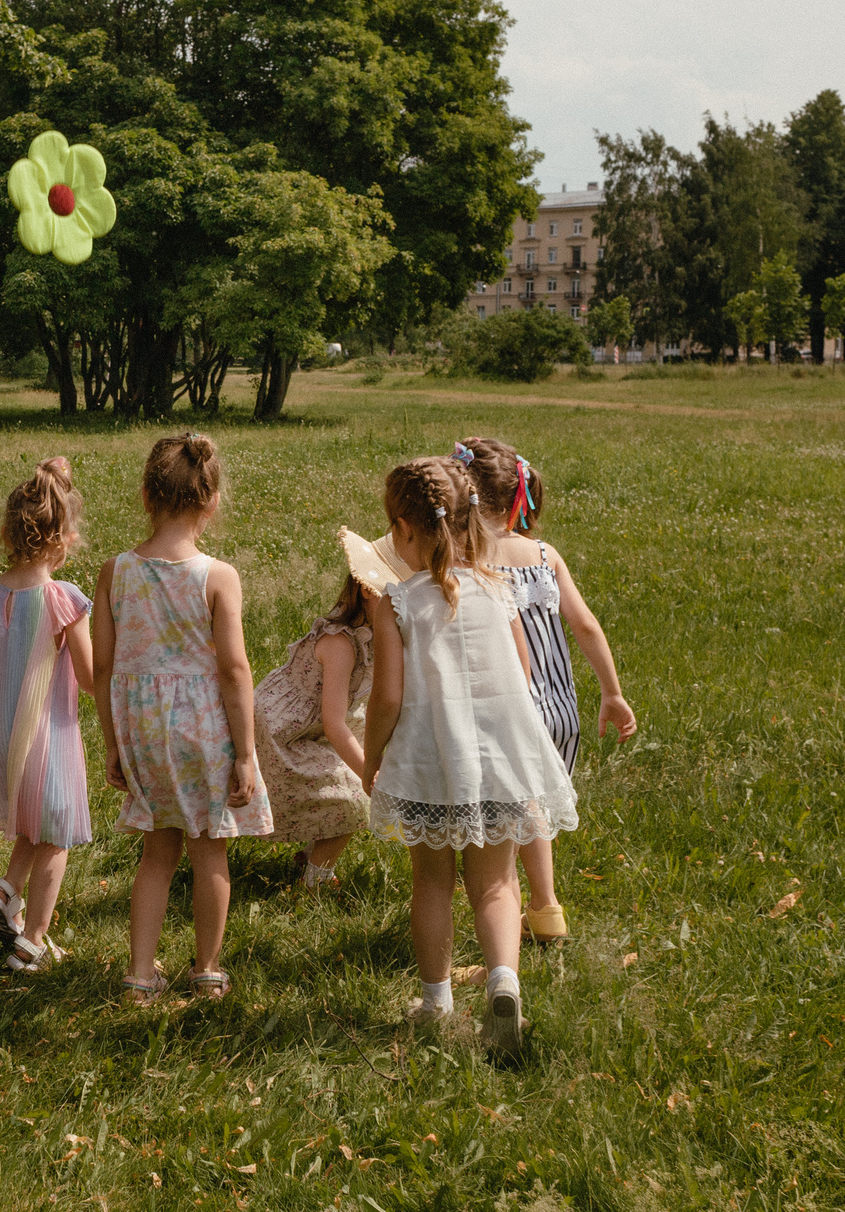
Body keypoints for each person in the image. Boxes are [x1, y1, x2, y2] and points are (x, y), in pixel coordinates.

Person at [361, 455, 578, 1058]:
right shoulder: (498, 590)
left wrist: (371, 760)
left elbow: (387, 698)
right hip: (502, 760)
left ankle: (436, 1003)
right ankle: (504, 984)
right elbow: (525, 674)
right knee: (497, 883)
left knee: (432, 882)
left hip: (431, 763)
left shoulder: (397, 603)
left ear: (403, 529)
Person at [93, 432, 272, 1003]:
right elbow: (235, 670)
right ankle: (208, 970)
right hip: (205, 732)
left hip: (143, 731)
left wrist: (113, 743)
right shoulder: (218, 576)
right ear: (212, 501)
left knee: (156, 851)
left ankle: (139, 974)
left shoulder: (114, 571)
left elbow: (103, 668)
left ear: (146, 495)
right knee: (209, 848)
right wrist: (246, 752)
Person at [462, 439, 635, 944]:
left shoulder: (466, 558)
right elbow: (585, 625)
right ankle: (547, 908)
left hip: (507, 710)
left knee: (504, 827)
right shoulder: (543, 554)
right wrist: (612, 693)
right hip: (558, 709)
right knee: (532, 805)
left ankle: (508, 933)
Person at [0, 460, 94, 972]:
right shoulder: (63, 598)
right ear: (64, 540)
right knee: (57, 833)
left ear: (8, 533)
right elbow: (91, 677)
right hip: (43, 735)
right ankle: (32, 941)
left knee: (35, 820)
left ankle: (5, 890)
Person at [252, 550, 376, 890]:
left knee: (345, 779)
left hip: (315, 725)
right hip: (284, 733)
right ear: (367, 591)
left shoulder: (374, 635)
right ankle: (315, 882)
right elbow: (334, 724)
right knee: (352, 799)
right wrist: (369, 776)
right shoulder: (340, 643)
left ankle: (308, 857)